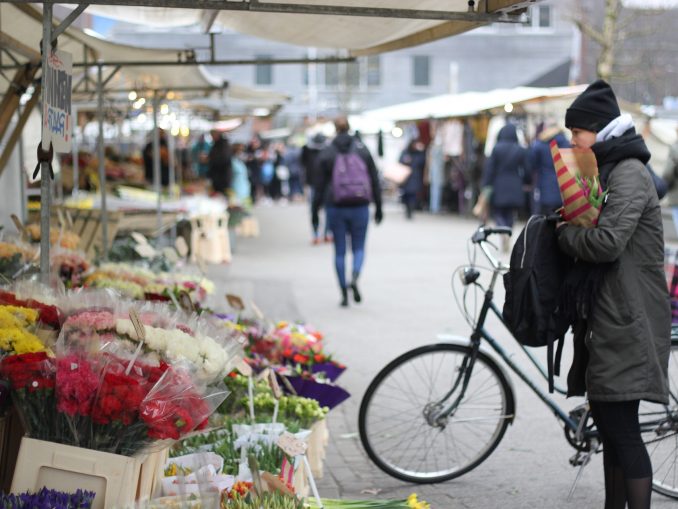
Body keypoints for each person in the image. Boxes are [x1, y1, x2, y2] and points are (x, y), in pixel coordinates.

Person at [557, 80, 670, 509]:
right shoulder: (608, 168)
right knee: (609, 427)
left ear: (599, 129)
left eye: (576, 132)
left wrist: (564, 233)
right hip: (611, 315)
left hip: (629, 318)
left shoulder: (628, 173)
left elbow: (606, 243)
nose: (572, 141)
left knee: (622, 430)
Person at [312, 117, 383, 307]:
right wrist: (379, 207)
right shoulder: (362, 149)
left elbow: (318, 185)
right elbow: (374, 179)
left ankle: (343, 292)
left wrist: (314, 213)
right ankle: (356, 276)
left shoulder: (327, 151)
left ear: (334, 129)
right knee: (359, 247)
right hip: (360, 206)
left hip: (335, 206)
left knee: (340, 251)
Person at [480, 124, 529, 231]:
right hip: (515, 184)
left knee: (498, 212)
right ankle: (507, 230)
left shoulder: (496, 149)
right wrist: (526, 182)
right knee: (510, 213)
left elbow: (490, 169)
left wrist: (486, 184)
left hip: (499, 184)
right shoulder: (520, 150)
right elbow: (527, 169)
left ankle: (502, 229)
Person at [528, 122, 570, 214]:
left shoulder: (539, 144)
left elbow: (532, 165)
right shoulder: (566, 144)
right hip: (564, 187)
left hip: (544, 185)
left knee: (545, 216)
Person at [303, 133, 330, 244]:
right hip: (318, 185)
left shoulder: (308, 151)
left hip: (317, 184)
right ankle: (322, 233)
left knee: (317, 210)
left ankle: (322, 233)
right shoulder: (308, 151)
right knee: (322, 209)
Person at [398, 140, 427, 219]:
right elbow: (400, 161)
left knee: (413, 195)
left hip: (415, 177)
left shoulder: (419, 153)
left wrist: (422, 151)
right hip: (406, 177)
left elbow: (422, 162)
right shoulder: (405, 152)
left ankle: (410, 211)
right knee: (406, 195)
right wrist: (405, 161)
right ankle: (408, 210)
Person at [207, 130, 232, 195]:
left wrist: (209, 159)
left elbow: (223, 160)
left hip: (221, 177)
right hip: (218, 176)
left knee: (221, 195)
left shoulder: (223, 145)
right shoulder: (218, 145)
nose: (212, 137)